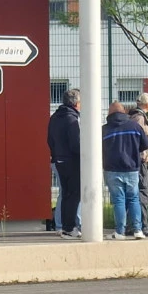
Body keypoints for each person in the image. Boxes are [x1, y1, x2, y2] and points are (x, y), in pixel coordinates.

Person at [102, 102, 148, 240]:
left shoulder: (104, 130)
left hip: (112, 169)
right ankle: (138, 230)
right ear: (124, 112)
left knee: (118, 200)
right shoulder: (135, 126)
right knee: (134, 199)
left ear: (109, 114)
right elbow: (145, 145)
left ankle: (120, 232)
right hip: (132, 168)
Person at [47, 88, 82, 239]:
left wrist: (56, 155)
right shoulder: (72, 120)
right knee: (74, 194)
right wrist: (84, 155)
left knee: (66, 194)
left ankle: (64, 226)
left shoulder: (54, 117)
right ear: (76, 103)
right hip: (72, 161)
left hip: (59, 161)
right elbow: (76, 144)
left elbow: (49, 140)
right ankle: (70, 227)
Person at [128, 93, 148, 236]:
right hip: (140, 161)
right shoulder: (140, 118)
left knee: (135, 193)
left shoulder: (134, 117)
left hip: (137, 160)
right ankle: (142, 226)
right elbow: (138, 139)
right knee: (142, 192)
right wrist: (144, 155)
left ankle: (134, 225)